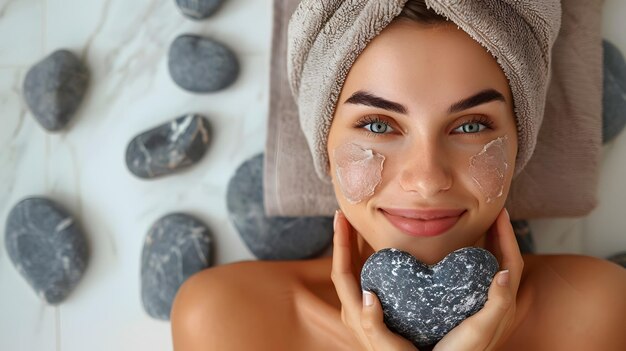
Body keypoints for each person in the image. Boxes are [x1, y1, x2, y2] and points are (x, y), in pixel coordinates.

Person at [170, 1, 626, 350]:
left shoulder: (594, 311)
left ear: (519, 139)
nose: (427, 180)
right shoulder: (230, 321)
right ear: (323, 144)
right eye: (378, 125)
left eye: (470, 126)